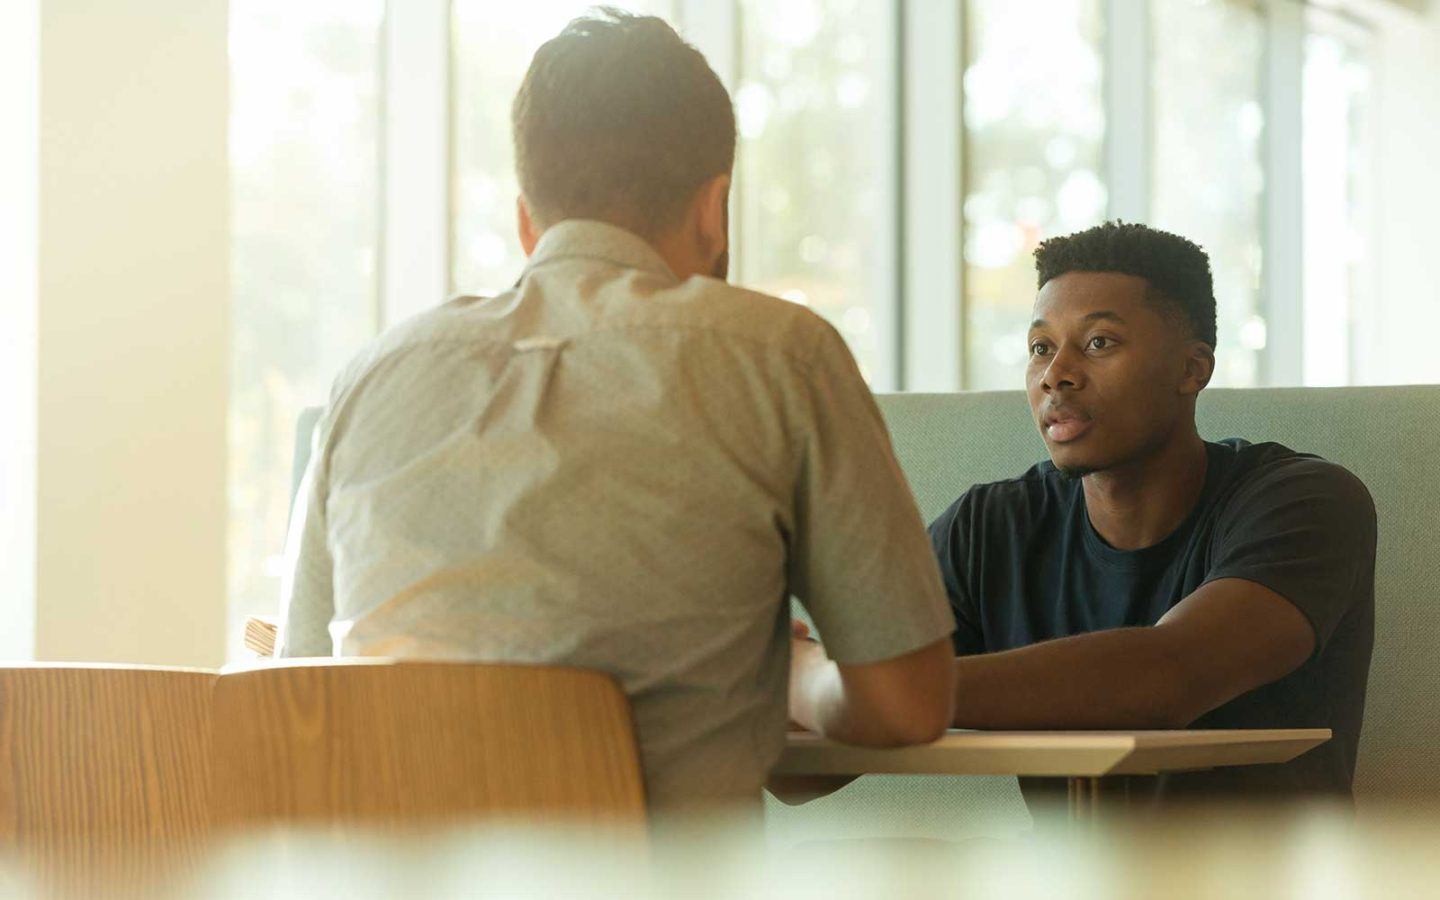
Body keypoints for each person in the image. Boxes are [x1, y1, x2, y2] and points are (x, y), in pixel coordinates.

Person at [275, 9, 955, 813]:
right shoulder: (781, 355)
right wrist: (796, 676)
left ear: (528, 219)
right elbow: (907, 705)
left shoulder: (371, 376)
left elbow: (296, 696)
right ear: (715, 210)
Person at [926, 221, 1376, 806]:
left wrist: (874, 691)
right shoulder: (988, 528)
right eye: (1040, 348)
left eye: (1099, 343)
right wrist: (801, 680)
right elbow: (803, 775)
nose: (1055, 374)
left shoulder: (1307, 502)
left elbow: (1167, 678)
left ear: (1192, 369)